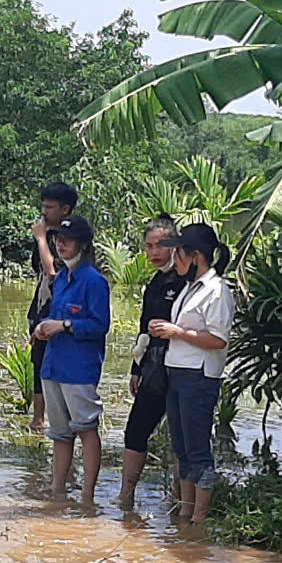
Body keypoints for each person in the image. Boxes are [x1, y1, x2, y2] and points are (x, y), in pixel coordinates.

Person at [152, 221, 236, 526]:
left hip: (199, 376)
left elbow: (218, 339)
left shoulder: (217, 291)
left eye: (179, 254)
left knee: (198, 449)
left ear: (196, 256)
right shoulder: (190, 288)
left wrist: (177, 332)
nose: (175, 260)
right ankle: (185, 514)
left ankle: (199, 518)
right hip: (178, 372)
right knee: (182, 448)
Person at [35, 215, 112, 502]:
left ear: (84, 245)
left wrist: (65, 326)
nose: (60, 244)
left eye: (67, 240)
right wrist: (43, 328)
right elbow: (54, 316)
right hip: (53, 364)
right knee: (59, 434)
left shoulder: (94, 281)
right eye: (57, 239)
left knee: (86, 429)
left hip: (79, 368)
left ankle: (88, 495)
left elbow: (100, 325)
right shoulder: (61, 278)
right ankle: (57, 490)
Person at [118, 216, 184, 509]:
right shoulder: (155, 284)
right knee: (135, 430)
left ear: (175, 245)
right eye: (148, 246)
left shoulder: (187, 281)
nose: (154, 252)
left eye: (160, 245)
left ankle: (180, 500)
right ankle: (126, 496)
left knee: (182, 438)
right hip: (153, 367)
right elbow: (144, 330)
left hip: (183, 367)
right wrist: (137, 369)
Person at [27, 180, 79, 434]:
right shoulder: (47, 236)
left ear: (65, 209)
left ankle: (65, 420)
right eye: (43, 206)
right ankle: (38, 419)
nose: (44, 212)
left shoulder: (70, 240)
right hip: (42, 306)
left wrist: (40, 239)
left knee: (58, 362)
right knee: (38, 362)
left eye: (49, 207)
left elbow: (52, 272)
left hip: (62, 310)